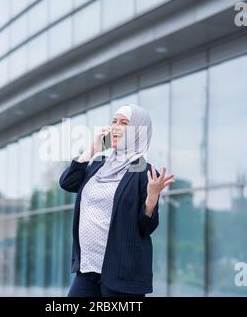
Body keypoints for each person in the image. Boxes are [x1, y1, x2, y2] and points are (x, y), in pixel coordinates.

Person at [59, 104, 175, 297]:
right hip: (88, 269)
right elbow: (67, 182)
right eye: (114, 122)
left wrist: (152, 197)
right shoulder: (98, 165)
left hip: (121, 273)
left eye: (124, 123)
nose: (115, 127)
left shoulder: (142, 170)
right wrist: (93, 148)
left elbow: (146, 227)